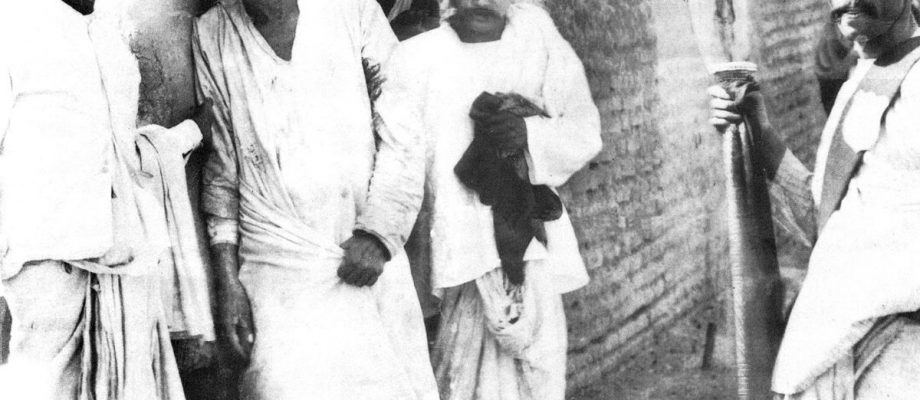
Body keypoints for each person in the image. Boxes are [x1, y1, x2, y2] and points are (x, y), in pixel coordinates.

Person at [192, 0, 438, 399]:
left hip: (364, 256)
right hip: (277, 270)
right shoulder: (213, 33)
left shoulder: (352, 10)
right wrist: (227, 282)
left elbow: (404, 134)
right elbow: (222, 171)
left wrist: (378, 235)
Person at [377, 0, 601, 398]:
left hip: (531, 252)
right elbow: (398, 163)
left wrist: (530, 135)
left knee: (537, 379)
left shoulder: (537, 42)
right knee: (464, 382)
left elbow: (584, 132)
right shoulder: (414, 59)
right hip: (457, 257)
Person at [0, 0, 213, 399]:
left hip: (123, 266)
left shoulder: (108, 31)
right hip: (46, 276)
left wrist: (189, 135)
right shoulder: (11, 24)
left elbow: (121, 157)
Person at [708, 0, 920, 398]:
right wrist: (760, 134)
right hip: (831, 349)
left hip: (899, 355)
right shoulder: (865, 75)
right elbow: (827, 220)